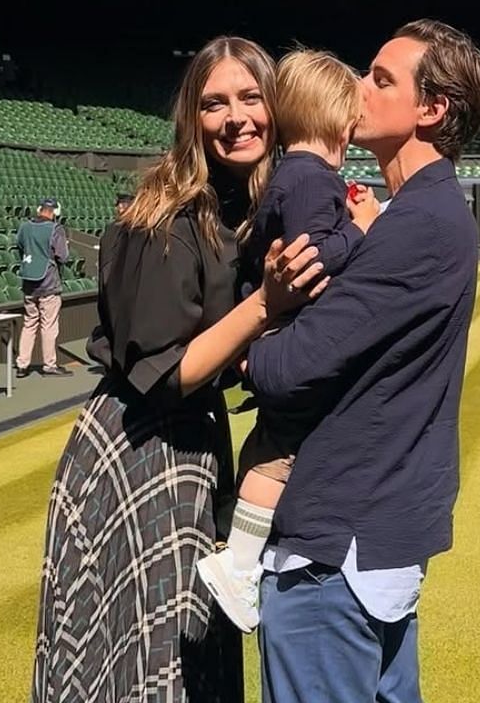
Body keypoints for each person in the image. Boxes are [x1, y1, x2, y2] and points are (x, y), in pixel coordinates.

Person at [29, 36, 326, 703]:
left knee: (194, 658)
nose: (236, 117)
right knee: (150, 668)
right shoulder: (162, 215)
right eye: (214, 104)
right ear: (192, 120)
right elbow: (165, 374)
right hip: (140, 450)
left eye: (251, 98)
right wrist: (265, 304)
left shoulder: (249, 211)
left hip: (194, 446)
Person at [244, 19, 480, 703]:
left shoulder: (419, 224)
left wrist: (257, 327)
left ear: (431, 109)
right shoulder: (420, 213)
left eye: (381, 78)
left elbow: (284, 371)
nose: (358, 87)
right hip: (370, 548)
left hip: (335, 559)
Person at [195, 47, 381, 632]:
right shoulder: (308, 178)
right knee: (283, 455)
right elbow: (309, 263)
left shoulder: (296, 175)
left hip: (272, 334)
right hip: (283, 335)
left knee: (270, 446)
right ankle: (240, 567)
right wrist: (359, 231)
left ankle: (237, 546)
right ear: (335, 118)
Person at [15, 198, 72, 378]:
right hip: (48, 283)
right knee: (49, 326)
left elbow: (20, 247)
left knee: (29, 323)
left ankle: (22, 364)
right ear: (54, 212)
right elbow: (62, 256)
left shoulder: (24, 227)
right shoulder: (56, 229)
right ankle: (50, 364)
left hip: (28, 283)